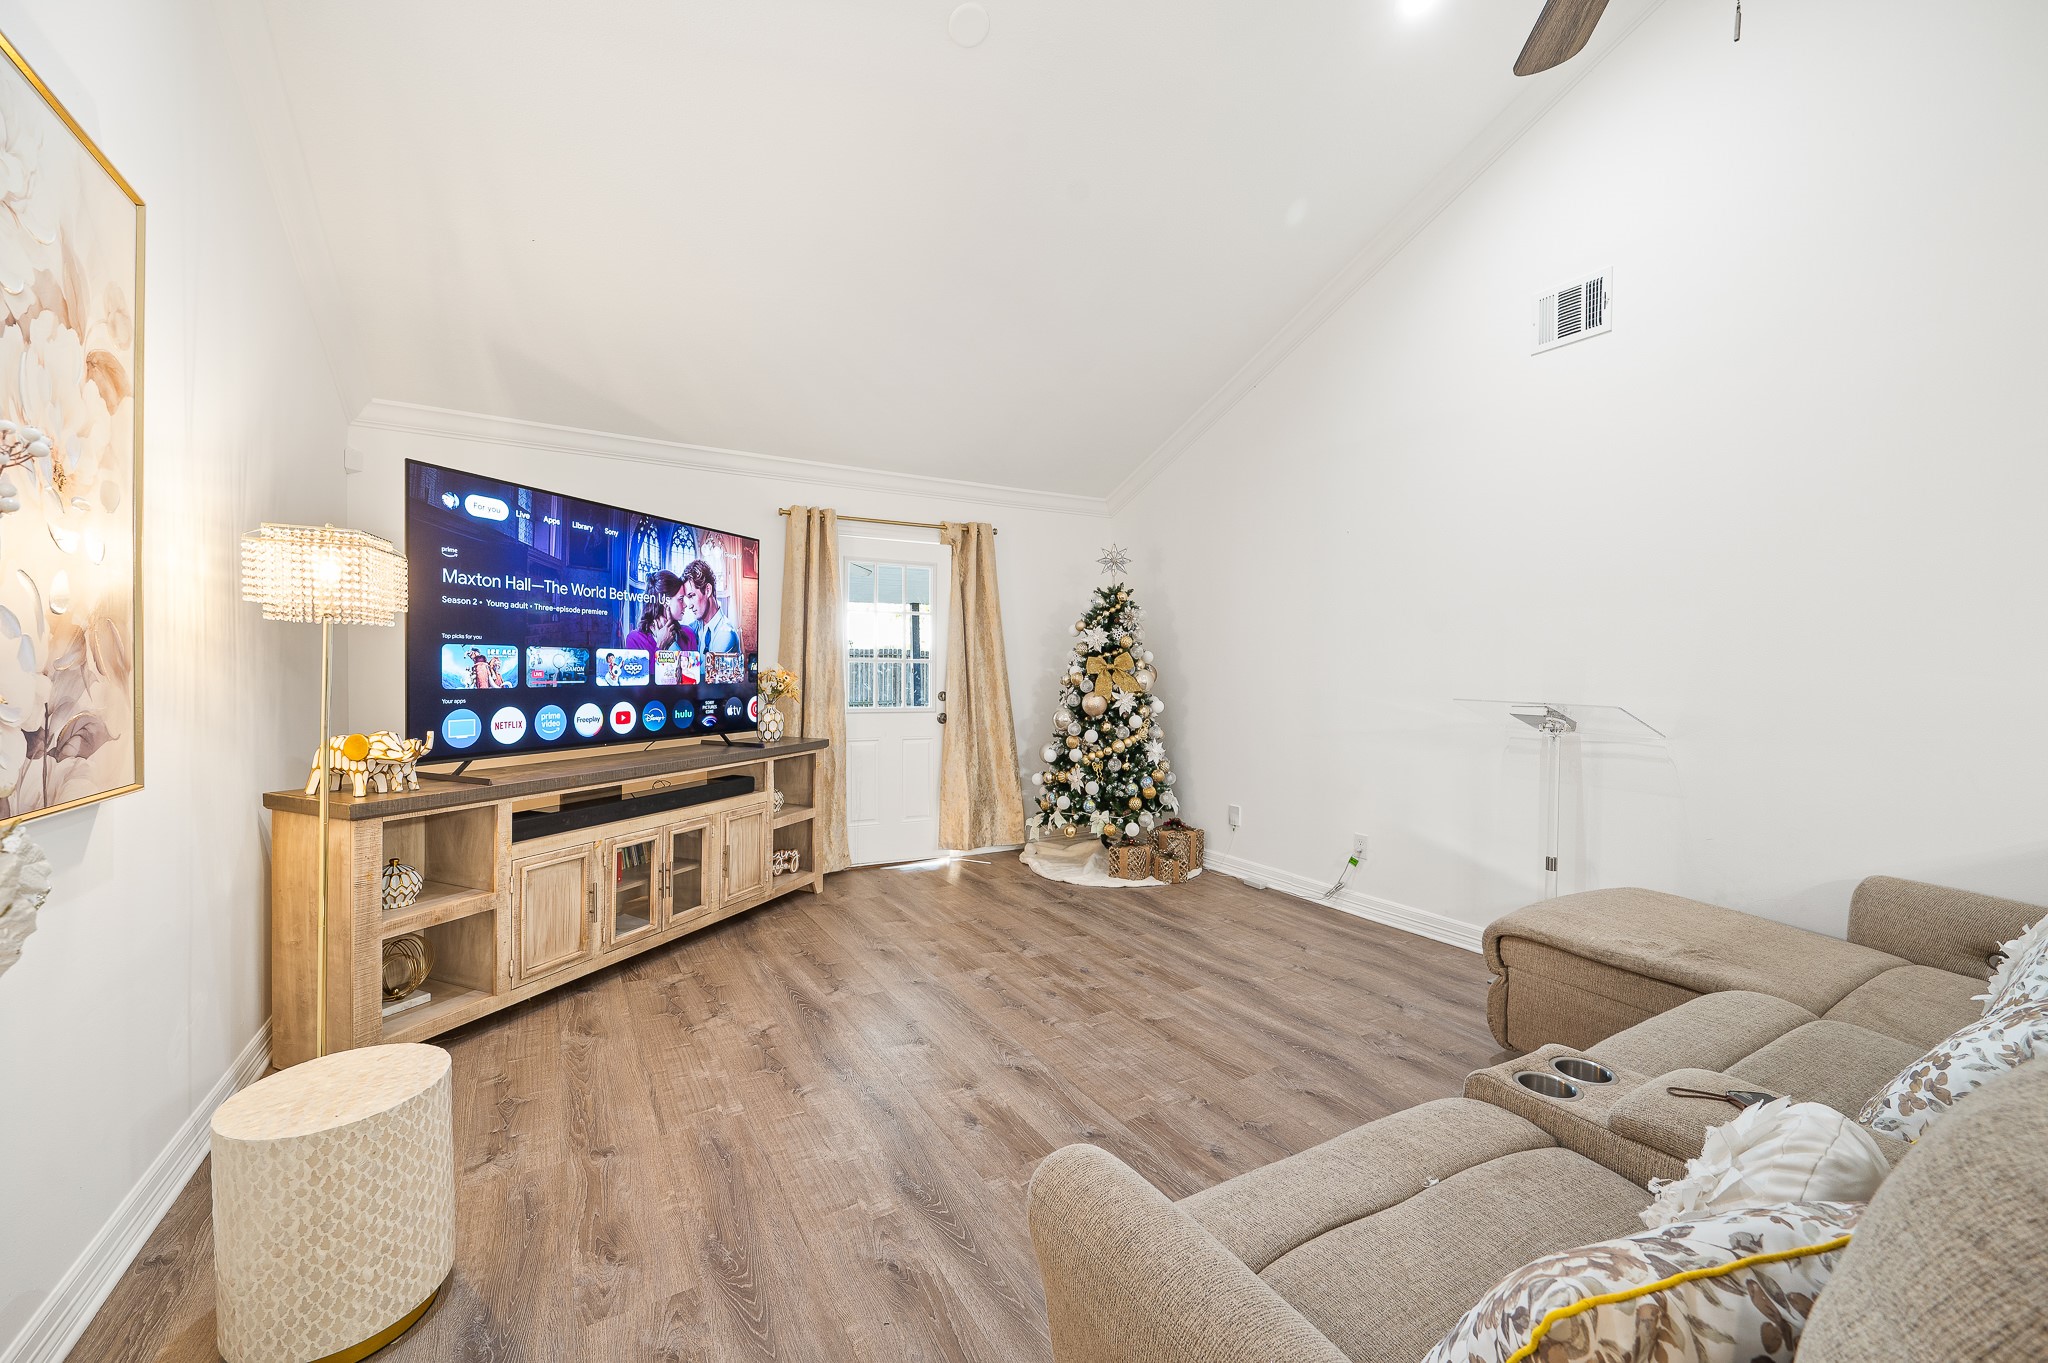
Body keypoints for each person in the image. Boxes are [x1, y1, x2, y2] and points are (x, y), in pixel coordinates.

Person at [670, 559, 741, 654]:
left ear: (707, 590)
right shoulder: (693, 628)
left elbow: (698, 669)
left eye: (692, 596)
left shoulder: (726, 635)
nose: (689, 605)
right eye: (687, 598)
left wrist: (669, 642)